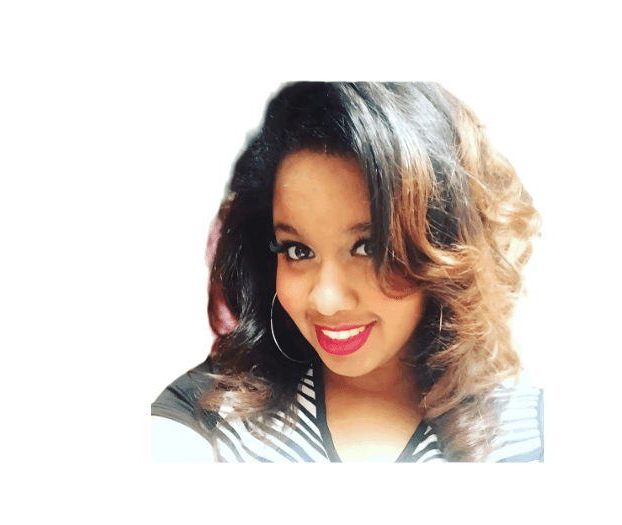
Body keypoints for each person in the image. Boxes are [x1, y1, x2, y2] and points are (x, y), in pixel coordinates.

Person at [150, 81, 543, 462]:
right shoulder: (210, 410)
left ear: (446, 244)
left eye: (369, 247)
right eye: (298, 250)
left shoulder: (529, 433)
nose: (326, 299)